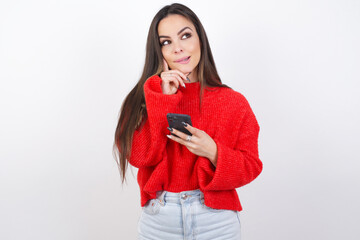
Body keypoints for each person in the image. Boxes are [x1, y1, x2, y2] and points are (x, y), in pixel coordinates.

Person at [114, 3, 263, 240]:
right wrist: (162, 99)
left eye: (185, 36)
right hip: (160, 221)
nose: (178, 48)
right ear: (158, 51)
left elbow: (251, 166)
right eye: (166, 42)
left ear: (200, 40)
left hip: (217, 221)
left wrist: (214, 152)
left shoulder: (233, 101)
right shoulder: (145, 98)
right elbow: (139, 157)